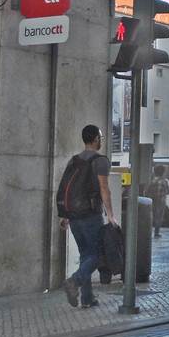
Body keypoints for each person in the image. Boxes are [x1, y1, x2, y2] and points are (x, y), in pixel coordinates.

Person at [56, 124, 115, 308]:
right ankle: (74, 281)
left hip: (73, 216)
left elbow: (67, 188)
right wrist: (111, 215)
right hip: (90, 215)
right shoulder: (100, 161)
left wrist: (65, 215)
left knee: (85, 255)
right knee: (97, 255)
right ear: (96, 139)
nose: (102, 140)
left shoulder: (74, 160)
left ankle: (87, 299)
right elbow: (104, 189)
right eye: (101, 137)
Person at [148, 165, 169, 238]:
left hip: (153, 200)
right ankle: (156, 233)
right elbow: (168, 191)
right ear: (162, 172)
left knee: (152, 216)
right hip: (161, 201)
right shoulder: (164, 181)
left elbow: (148, 190)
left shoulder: (152, 181)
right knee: (159, 217)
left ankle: (150, 231)